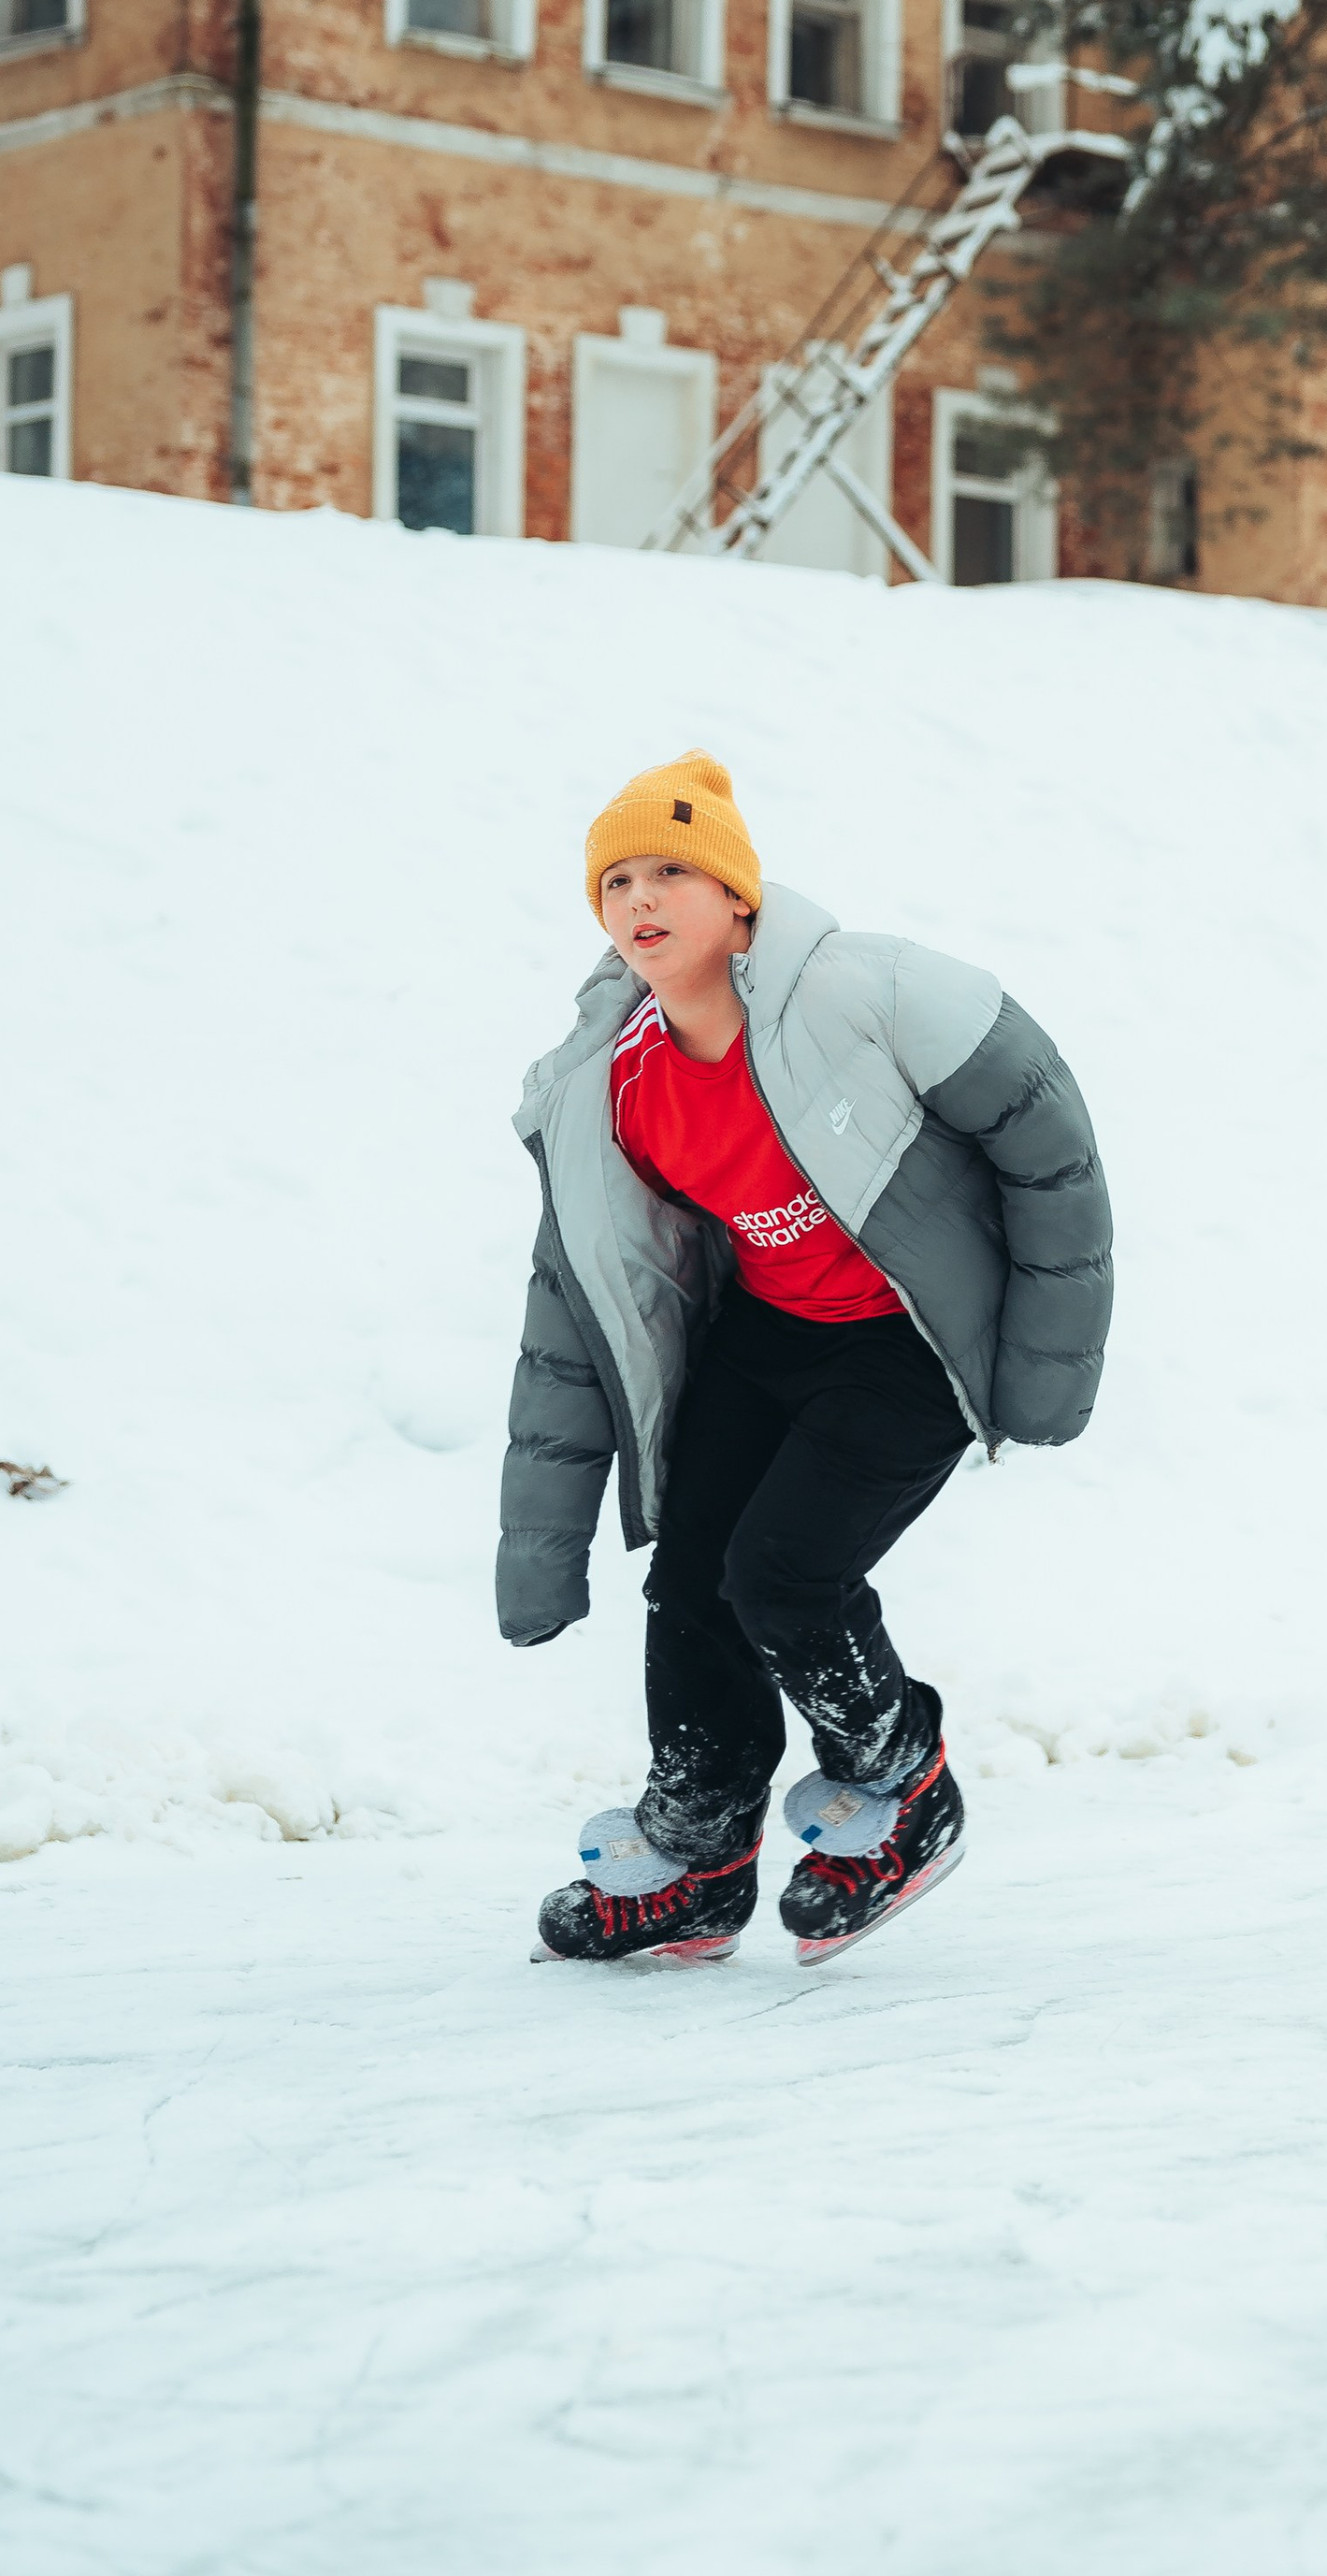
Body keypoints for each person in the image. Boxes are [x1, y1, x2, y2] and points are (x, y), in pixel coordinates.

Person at [498, 748, 1113, 1965]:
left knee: (781, 1578)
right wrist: (539, 1545)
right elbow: (576, 1300)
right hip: (769, 1336)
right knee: (689, 1581)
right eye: (616, 878)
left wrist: (1048, 1348)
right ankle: (701, 1848)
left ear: (738, 896)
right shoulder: (614, 1085)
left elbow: (1044, 1120)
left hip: (906, 1339)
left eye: (672, 866)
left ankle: (903, 1784)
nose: (641, 897)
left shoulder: (862, 988)